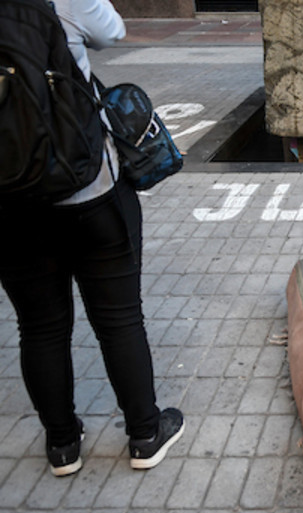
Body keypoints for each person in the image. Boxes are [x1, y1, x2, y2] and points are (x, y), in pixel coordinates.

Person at [0, 0, 183, 477]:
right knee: (120, 319)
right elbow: (113, 31)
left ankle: (62, 445)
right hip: (88, 188)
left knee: (38, 327)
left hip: (9, 201)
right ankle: (145, 434)